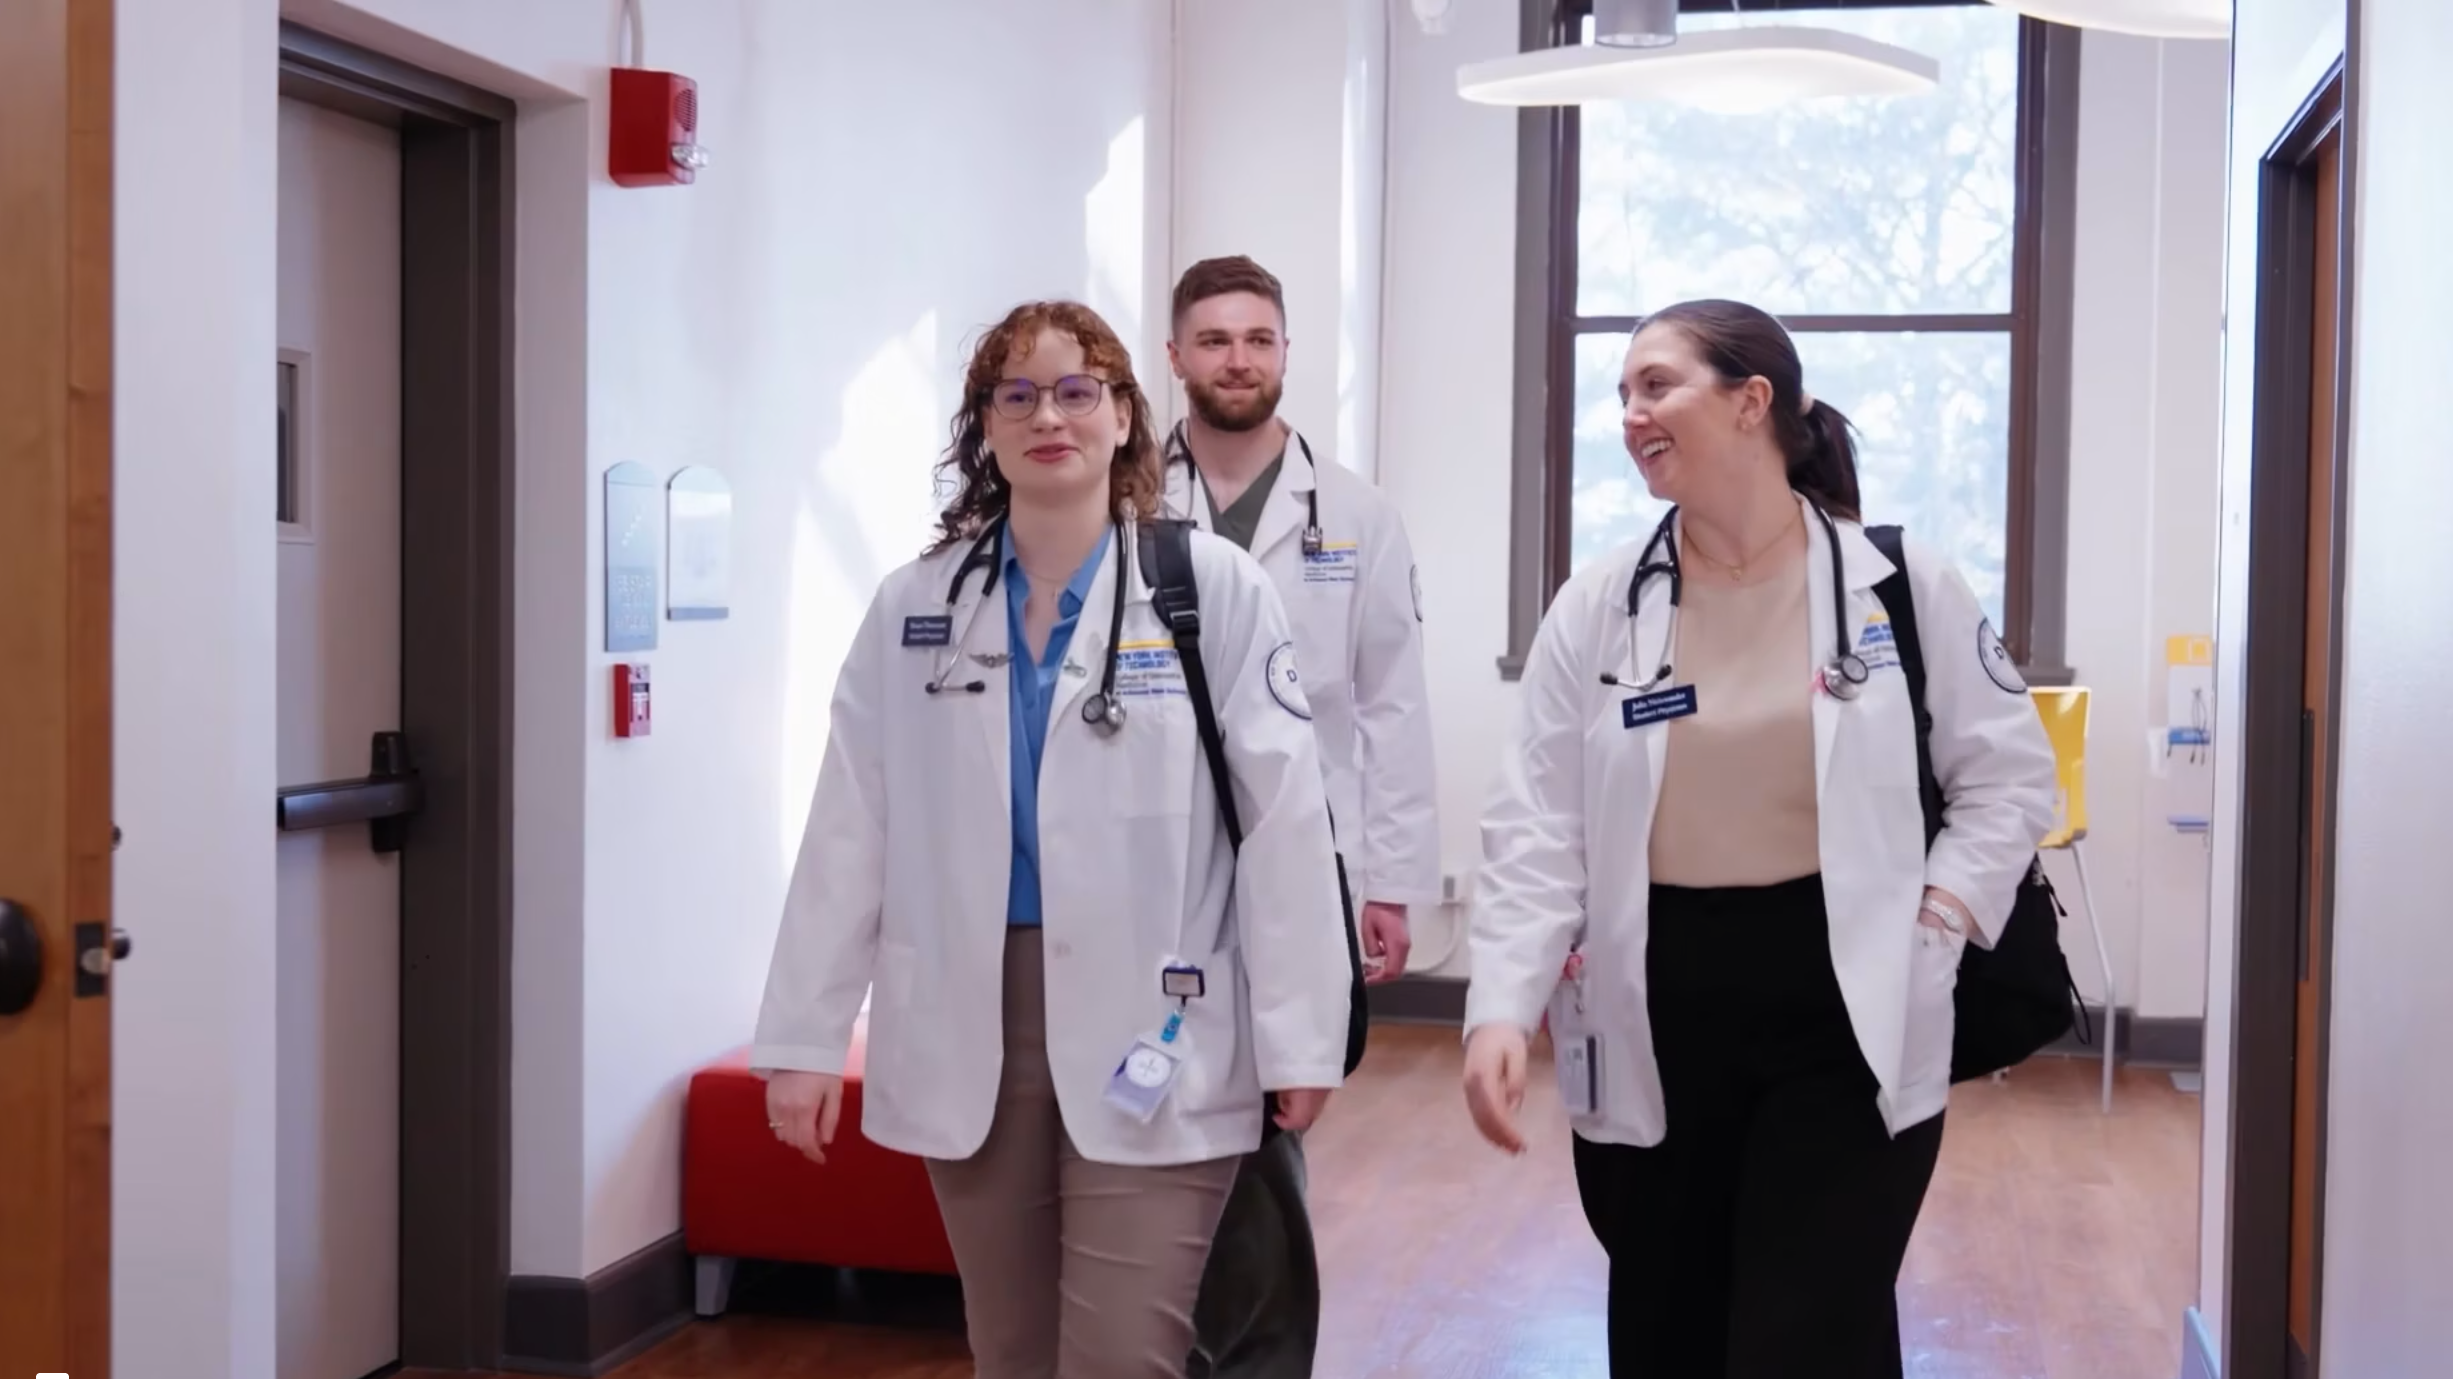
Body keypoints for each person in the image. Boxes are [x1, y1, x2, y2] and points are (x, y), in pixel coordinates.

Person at [752, 299, 1354, 1379]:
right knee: (1011, 1349)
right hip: (968, 1022)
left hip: (1159, 1020)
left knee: (1123, 1354)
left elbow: (1285, 826)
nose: (1048, 416)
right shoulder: (914, 608)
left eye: (1078, 391)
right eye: (1017, 395)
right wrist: (805, 1037)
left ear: (1123, 416)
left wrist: (1302, 1036)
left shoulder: (1208, 590)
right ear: (983, 426)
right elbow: (850, 825)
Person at [1458, 298, 2057, 1378]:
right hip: (1657, 996)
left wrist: (1939, 917)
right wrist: (1500, 1003)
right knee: (1667, 1325)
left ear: (1751, 402)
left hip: (1846, 996)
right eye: (1622, 392)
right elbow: (1536, 822)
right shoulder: (1599, 603)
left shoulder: (1897, 582)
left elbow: (2007, 776)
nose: (1630, 413)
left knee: (1811, 1328)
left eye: (1657, 384)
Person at [1162, 255, 1440, 1379]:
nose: (1237, 359)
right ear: (1175, 355)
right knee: (1159, 1096)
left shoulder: (1357, 514)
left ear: (1284, 352)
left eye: (1258, 339)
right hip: (1151, 854)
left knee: (1274, 1112)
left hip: (1302, 852)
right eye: (1214, 339)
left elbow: (1391, 705)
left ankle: (1258, 1357)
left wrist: (1393, 883)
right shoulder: (1123, 502)